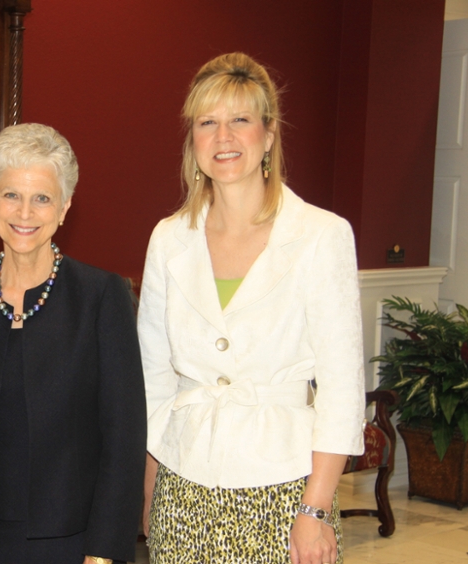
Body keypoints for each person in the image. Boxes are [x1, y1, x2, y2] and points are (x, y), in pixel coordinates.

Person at [138, 53, 365, 564]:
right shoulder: (169, 239)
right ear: (192, 140)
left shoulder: (320, 236)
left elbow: (342, 386)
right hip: (184, 484)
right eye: (208, 123)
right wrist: (152, 487)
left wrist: (317, 509)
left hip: (285, 490)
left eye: (240, 120)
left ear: (268, 134)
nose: (224, 137)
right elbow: (153, 378)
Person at [0, 123, 146, 564]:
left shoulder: (103, 298)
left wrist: (103, 553)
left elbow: (123, 439)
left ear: (64, 207)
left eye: (42, 197)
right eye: (11, 195)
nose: (24, 212)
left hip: (72, 543)